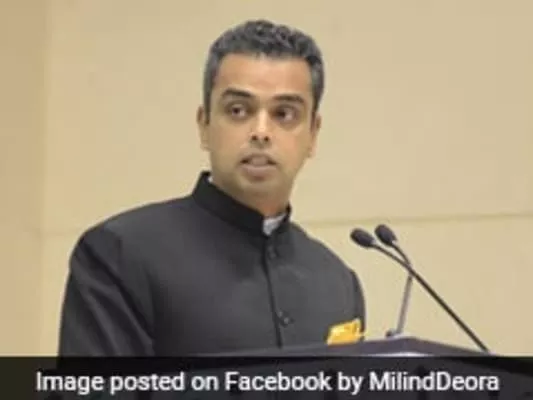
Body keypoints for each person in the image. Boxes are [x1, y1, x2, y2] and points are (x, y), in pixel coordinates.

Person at [57, 19, 365, 356]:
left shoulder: (337, 282)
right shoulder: (121, 255)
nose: (261, 132)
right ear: (204, 125)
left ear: (313, 134)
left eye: (284, 114)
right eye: (238, 110)